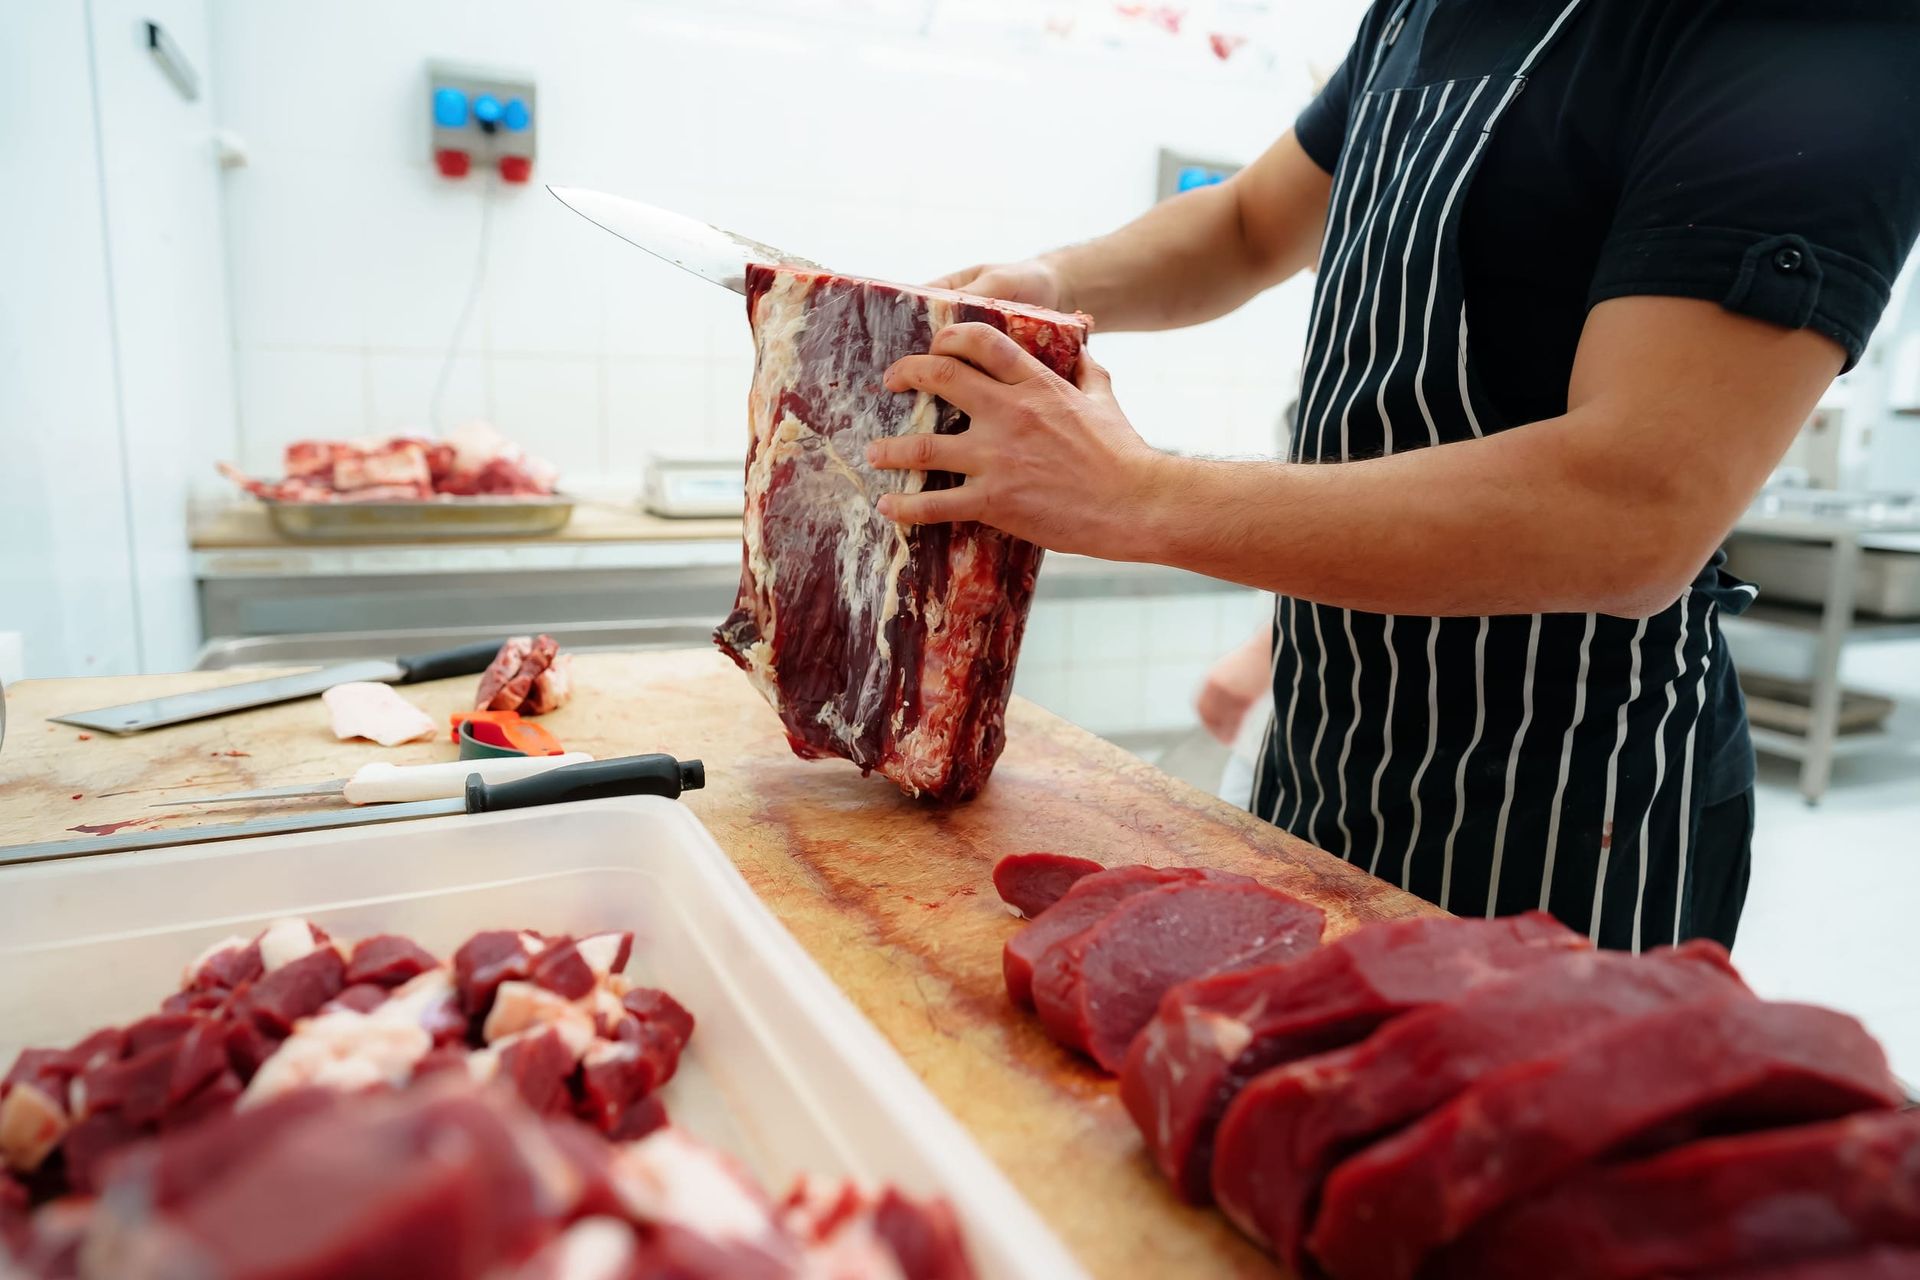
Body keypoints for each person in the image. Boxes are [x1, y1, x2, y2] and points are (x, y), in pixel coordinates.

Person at [866, 0, 1920, 951]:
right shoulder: (1421, 11)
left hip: (1568, 811)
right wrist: (1048, 282)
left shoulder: (1811, 33)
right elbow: (1250, 224)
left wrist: (1133, 492)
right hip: (1326, 754)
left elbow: (1630, 512)